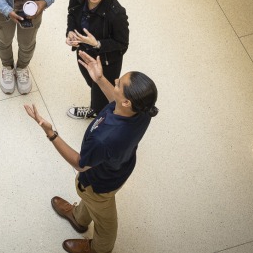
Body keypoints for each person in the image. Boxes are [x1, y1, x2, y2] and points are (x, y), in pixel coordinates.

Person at [24, 51, 158, 253]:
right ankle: (78, 219)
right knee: (90, 202)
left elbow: (80, 163)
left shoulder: (105, 138)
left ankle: (99, 249)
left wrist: (51, 133)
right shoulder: (142, 112)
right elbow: (116, 101)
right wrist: (99, 79)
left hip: (99, 183)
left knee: (106, 222)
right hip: (118, 167)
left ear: (127, 103)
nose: (115, 81)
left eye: (118, 84)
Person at [65, 0, 129, 120]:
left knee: (101, 90)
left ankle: (97, 112)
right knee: (92, 83)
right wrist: (70, 31)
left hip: (106, 62)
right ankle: (98, 107)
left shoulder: (116, 13)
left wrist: (97, 43)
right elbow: (71, 14)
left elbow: (122, 43)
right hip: (84, 53)